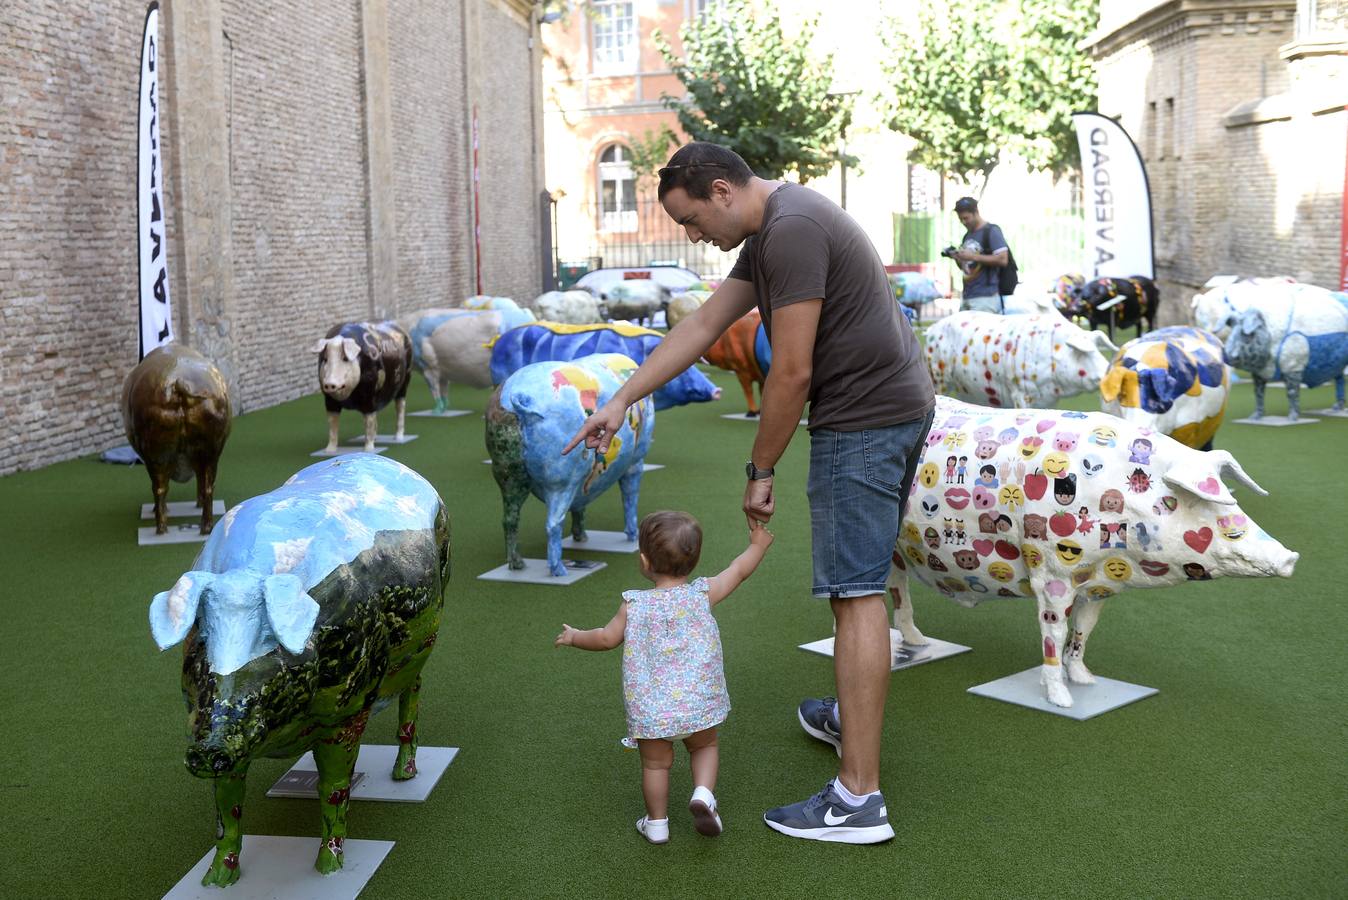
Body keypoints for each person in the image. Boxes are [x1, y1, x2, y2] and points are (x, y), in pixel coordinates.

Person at [562, 141, 935, 844]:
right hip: (890, 405)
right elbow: (705, 326)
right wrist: (622, 400)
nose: (693, 236)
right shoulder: (773, 228)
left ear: (722, 191)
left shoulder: (789, 232)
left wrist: (760, 470)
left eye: (692, 220)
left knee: (854, 593)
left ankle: (858, 799)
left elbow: (790, 372)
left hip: (865, 418)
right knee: (856, 586)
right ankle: (852, 720)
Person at [555, 510, 774, 844]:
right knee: (704, 746)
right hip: (699, 701)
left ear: (644, 561)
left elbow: (604, 639)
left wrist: (574, 637)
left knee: (655, 766)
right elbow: (738, 571)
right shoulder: (702, 594)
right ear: (694, 561)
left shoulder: (634, 605)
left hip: (652, 709)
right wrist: (758, 545)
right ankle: (703, 793)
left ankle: (657, 823)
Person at [950, 196, 1012, 313]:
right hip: (968, 295)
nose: (964, 222)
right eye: (960, 219)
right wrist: (959, 258)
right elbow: (968, 267)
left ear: (976, 212)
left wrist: (972, 256)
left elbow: (1003, 259)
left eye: (966, 218)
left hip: (986, 297)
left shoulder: (991, 231)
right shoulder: (968, 235)